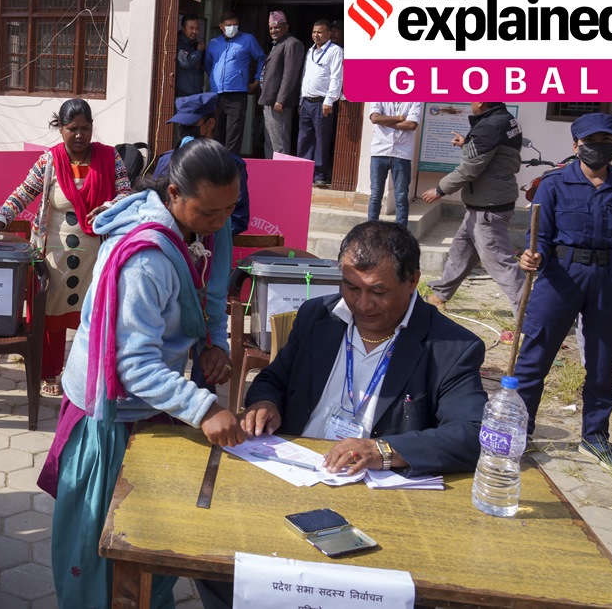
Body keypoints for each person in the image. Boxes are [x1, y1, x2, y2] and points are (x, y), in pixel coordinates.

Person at [196, 221, 487, 609]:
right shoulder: (318, 316)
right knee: (213, 563)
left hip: (380, 501)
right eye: (351, 287)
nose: (363, 304)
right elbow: (273, 378)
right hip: (296, 477)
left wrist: (381, 450)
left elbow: (471, 434)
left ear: (413, 280)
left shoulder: (451, 346)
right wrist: (264, 403)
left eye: (378, 292)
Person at [38, 138, 245, 609]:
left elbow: (210, 296)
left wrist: (214, 343)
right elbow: (132, 365)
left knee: (149, 546)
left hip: (147, 407)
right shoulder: (146, 259)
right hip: (112, 415)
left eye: (229, 209)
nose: (219, 224)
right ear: (173, 194)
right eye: (210, 213)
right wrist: (205, 406)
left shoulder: (205, 223)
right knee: (103, 557)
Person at [511, 113, 612, 473]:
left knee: (603, 364)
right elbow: (538, 235)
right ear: (576, 146)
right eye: (590, 142)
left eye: (606, 141)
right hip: (560, 277)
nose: (598, 148)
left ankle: (596, 437)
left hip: (611, 280)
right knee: (534, 357)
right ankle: (519, 434)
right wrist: (531, 255)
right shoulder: (553, 185)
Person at [0, 99, 131, 397]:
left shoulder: (111, 158)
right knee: (52, 314)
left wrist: (109, 206)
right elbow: (23, 194)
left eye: (86, 128)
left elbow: (126, 192)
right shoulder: (49, 161)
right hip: (54, 253)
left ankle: (93, 372)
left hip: (98, 254)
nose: (80, 135)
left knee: (96, 313)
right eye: (73, 129)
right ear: (60, 129)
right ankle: (50, 372)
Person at [420, 102, 525, 315]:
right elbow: (496, 153)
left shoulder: (488, 126)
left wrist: (440, 189)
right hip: (481, 205)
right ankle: (440, 294)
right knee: (460, 253)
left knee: (500, 265)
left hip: (488, 209)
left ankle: (531, 318)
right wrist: (468, 143)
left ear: (481, 101)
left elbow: (469, 169)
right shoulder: (505, 120)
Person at [152, 92, 249, 236]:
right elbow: (156, 207)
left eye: (191, 125)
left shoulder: (228, 164)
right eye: (182, 125)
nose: (185, 131)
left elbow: (238, 218)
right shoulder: (167, 160)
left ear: (210, 123)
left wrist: (205, 236)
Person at [204, 11, 266, 153]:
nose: (232, 27)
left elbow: (262, 59)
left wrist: (257, 80)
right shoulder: (213, 43)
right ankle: (217, 167)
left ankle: (231, 168)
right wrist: (215, 79)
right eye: (228, 25)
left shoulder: (248, 39)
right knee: (216, 132)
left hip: (237, 95)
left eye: (235, 25)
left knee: (234, 135)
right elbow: (208, 64)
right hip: (216, 95)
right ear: (221, 26)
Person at [297, 20, 344, 186]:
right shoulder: (310, 51)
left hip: (321, 102)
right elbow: (305, 76)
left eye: (320, 32)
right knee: (304, 139)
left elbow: (336, 77)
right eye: (314, 32)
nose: (316, 35)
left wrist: (329, 100)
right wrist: (301, 99)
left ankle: (319, 176)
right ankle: (303, 173)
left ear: (329, 34)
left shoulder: (335, 51)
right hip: (307, 101)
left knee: (321, 140)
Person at [256, 11, 304, 159]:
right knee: (269, 140)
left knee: (279, 143)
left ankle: (281, 177)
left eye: (276, 27)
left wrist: (281, 99)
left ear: (286, 27)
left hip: (279, 102)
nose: (273, 31)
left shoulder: (292, 44)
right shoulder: (278, 44)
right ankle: (271, 173)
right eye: (271, 28)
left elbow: (290, 75)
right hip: (269, 100)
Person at [366, 102, 422, 228]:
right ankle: (370, 230)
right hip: (380, 151)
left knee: (401, 196)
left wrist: (385, 121)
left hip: (402, 153)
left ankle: (401, 232)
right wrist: (401, 118)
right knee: (375, 195)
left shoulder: (415, 99)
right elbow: (375, 118)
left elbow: (412, 125)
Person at [175, 13, 205, 98]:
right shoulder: (178, 43)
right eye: (191, 28)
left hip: (195, 94)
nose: (195, 32)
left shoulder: (195, 44)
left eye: (197, 28)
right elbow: (185, 62)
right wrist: (199, 51)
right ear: (183, 27)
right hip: (183, 96)